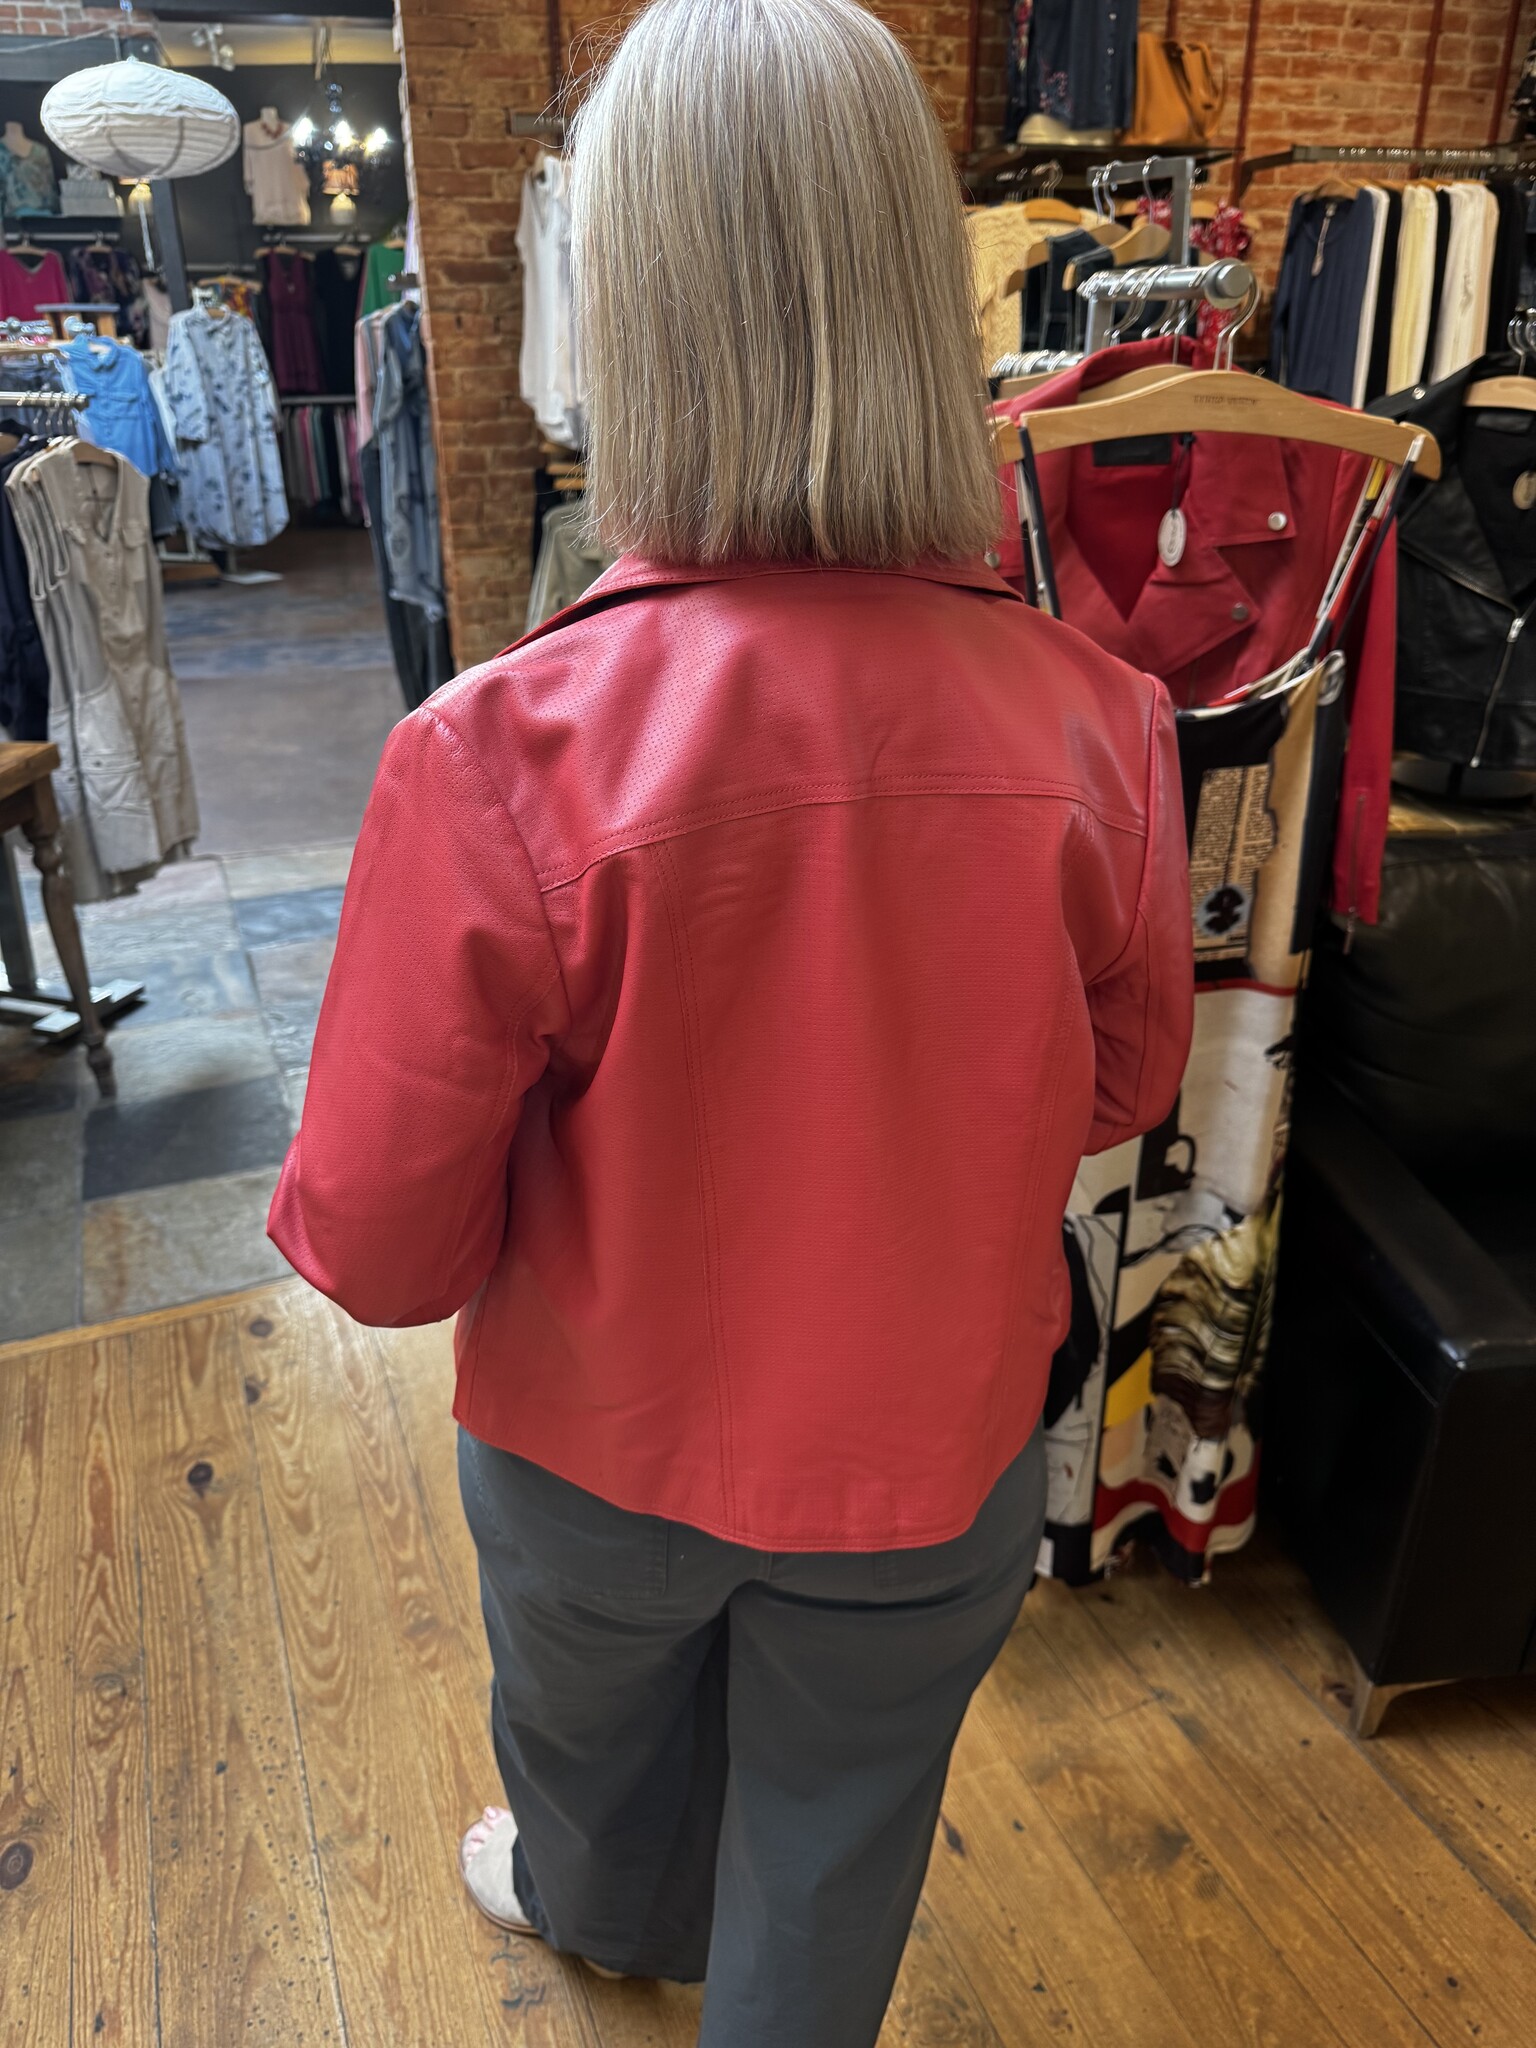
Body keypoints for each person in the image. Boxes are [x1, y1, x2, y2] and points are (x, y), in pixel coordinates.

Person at [267, 0, 1193, 2038]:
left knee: (588, 1757)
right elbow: (1124, 1084)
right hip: (936, 1445)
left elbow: (381, 1247)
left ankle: (599, 1914)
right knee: (842, 1834)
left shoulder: (493, 749)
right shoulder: (1105, 721)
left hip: (594, 1455)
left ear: (631, 302)